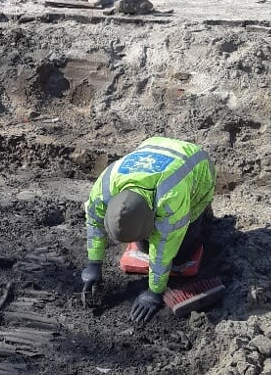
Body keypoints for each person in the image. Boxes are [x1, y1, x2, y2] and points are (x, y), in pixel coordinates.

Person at [80, 136, 216, 321]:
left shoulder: (170, 202)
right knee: (144, 248)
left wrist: (154, 292)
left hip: (197, 165)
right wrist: (93, 265)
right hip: (153, 146)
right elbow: (94, 222)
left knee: (180, 255)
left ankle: (203, 220)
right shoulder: (104, 189)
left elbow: (163, 251)